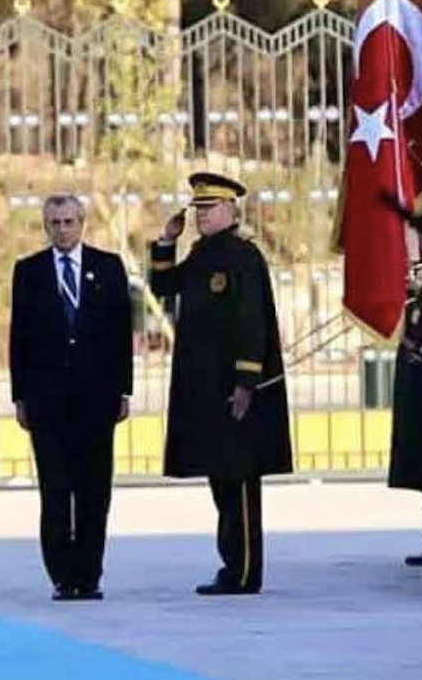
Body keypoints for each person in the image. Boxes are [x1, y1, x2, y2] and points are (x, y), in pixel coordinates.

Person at [150, 172, 292, 595]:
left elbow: (252, 322)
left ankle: (245, 570)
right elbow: (164, 286)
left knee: (240, 479)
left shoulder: (242, 256)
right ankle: (231, 565)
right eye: (198, 209)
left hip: (234, 387)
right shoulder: (203, 253)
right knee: (221, 477)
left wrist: (247, 380)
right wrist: (165, 241)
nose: (201, 216)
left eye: (209, 209)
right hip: (206, 386)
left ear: (231, 210)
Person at [9, 194, 133, 601]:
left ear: (82, 223)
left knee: (94, 489)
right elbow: (19, 338)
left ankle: (89, 573)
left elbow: (121, 333)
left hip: (96, 398)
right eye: (55, 223)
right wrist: (21, 396)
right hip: (48, 402)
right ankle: (63, 574)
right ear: (46, 227)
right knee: (56, 489)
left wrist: (123, 390)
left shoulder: (108, 267)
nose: (62, 229)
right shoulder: (29, 272)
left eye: (69, 222)